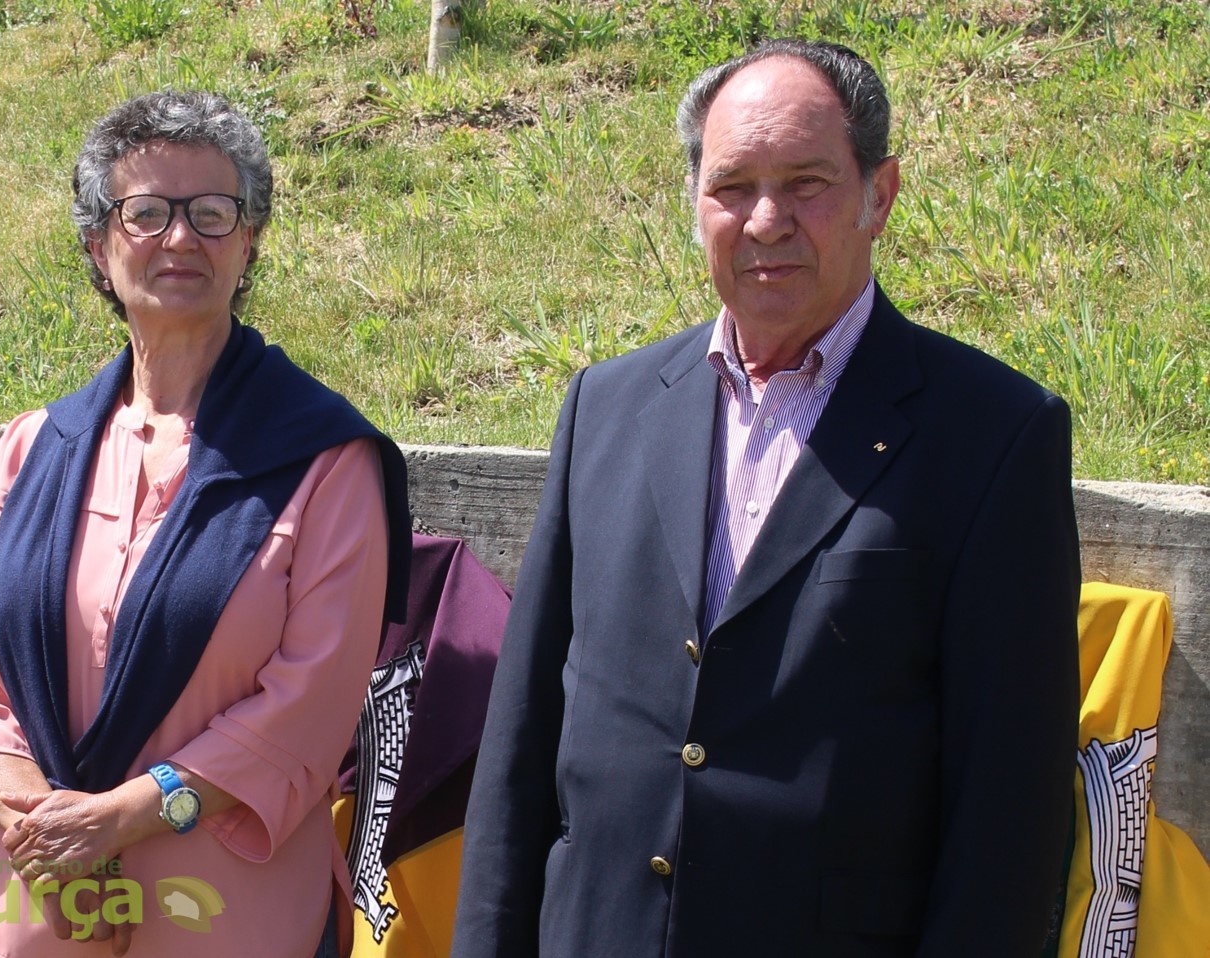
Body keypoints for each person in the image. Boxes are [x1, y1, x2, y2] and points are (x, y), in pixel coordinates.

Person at [452, 38, 1080, 958]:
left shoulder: (992, 435)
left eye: (807, 183)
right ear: (694, 202)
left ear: (880, 195)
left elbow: (1008, 818)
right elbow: (519, 745)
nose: (766, 220)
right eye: (732, 186)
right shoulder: (606, 407)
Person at [0, 91, 411, 958]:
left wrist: (117, 822)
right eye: (145, 212)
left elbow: (307, 710)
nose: (180, 238)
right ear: (97, 245)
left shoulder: (325, 462)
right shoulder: (33, 448)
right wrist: (57, 843)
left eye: (212, 213)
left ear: (249, 241)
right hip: (23, 919)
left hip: (224, 927)